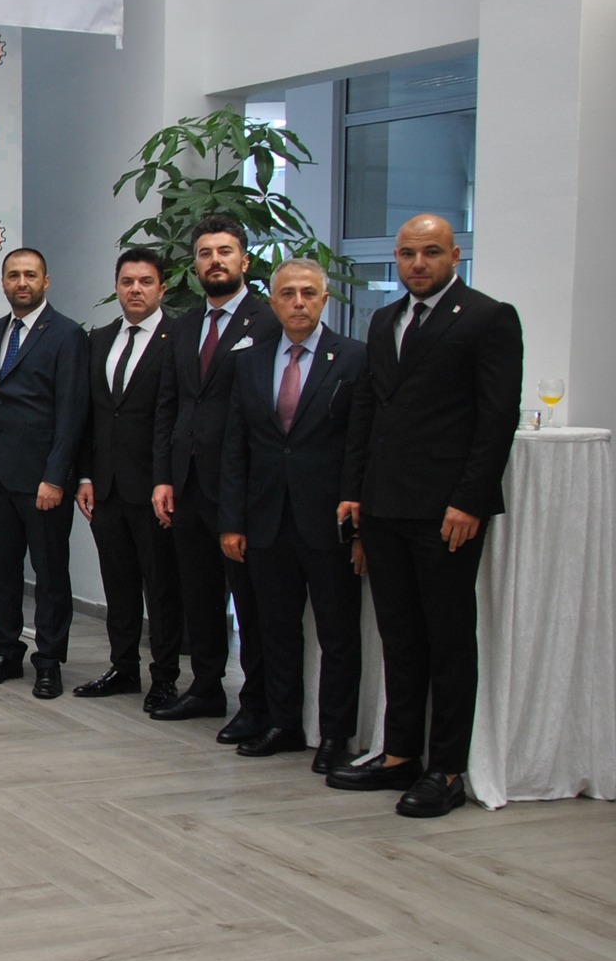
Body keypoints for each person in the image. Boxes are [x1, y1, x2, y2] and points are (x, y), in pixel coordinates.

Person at [332, 215, 522, 817]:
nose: (418, 263)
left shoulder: (488, 318)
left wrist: (470, 500)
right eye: (408, 253)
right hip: (384, 504)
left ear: (455, 256)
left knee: (447, 639)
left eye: (432, 252)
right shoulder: (385, 319)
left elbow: (497, 419)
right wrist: (355, 490)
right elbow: (367, 409)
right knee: (399, 635)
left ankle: (448, 769)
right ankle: (399, 754)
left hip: (445, 511)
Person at [219, 258, 369, 772]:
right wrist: (232, 521)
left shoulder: (353, 359)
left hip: (328, 521)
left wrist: (358, 515)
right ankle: (284, 724)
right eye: (288, 293)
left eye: (308, 293)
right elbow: (235, 447)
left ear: (324, 300)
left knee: (337, 634)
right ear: (273, 300)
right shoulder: (250, 362)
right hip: (265, 521)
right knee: (275, 630)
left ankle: (334, 735)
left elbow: (361, 444)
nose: (298, 302)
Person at [150, 214, 277, 740]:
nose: (215, 261)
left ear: (244, 260)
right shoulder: (181, 327)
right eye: (205, 253)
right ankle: (205, 688)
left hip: (240, 487)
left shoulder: (267, 322)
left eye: (225, 251)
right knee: (198, 595)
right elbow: (169, 405)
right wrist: (163, 477)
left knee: (249, 601)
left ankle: (257, 702)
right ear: (195, 263)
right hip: (187, 484)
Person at [0, 247, 88, 698]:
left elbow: (72, 412)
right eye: (14, 275)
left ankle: (49, 661)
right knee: (2, 572)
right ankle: (5, 652)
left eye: (30, 275)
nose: (22, 282)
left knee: (50, 574)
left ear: (46, 281)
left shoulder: (67, 334)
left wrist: (56, 477)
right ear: (3, 282)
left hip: (43, 480)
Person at [73, 247, 183, 708]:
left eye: (145, 282)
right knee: (117, 584)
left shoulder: (178, 339)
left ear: (162, 288)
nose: (135, 289)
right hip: (106, 485)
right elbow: (89, 414)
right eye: (127, 282)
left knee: (161, 588)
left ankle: (165, 677)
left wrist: (167, 479)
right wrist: (84, 476)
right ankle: (123, 668)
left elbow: (176, 418)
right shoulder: (99, 339)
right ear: (117, 287)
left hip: (155, 488)